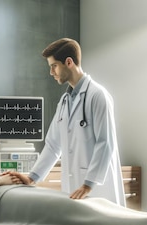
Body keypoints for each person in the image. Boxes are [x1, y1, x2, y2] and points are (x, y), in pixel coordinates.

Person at [22, 38, 126, 206]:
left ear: (68, 62)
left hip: (97, 191)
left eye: (54, 66)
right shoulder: (64, 101)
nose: (51, 72)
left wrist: (88, 184)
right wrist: (31, 177)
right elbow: (52, 145)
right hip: (73, 191)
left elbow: (105, 142)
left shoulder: (98, 95)